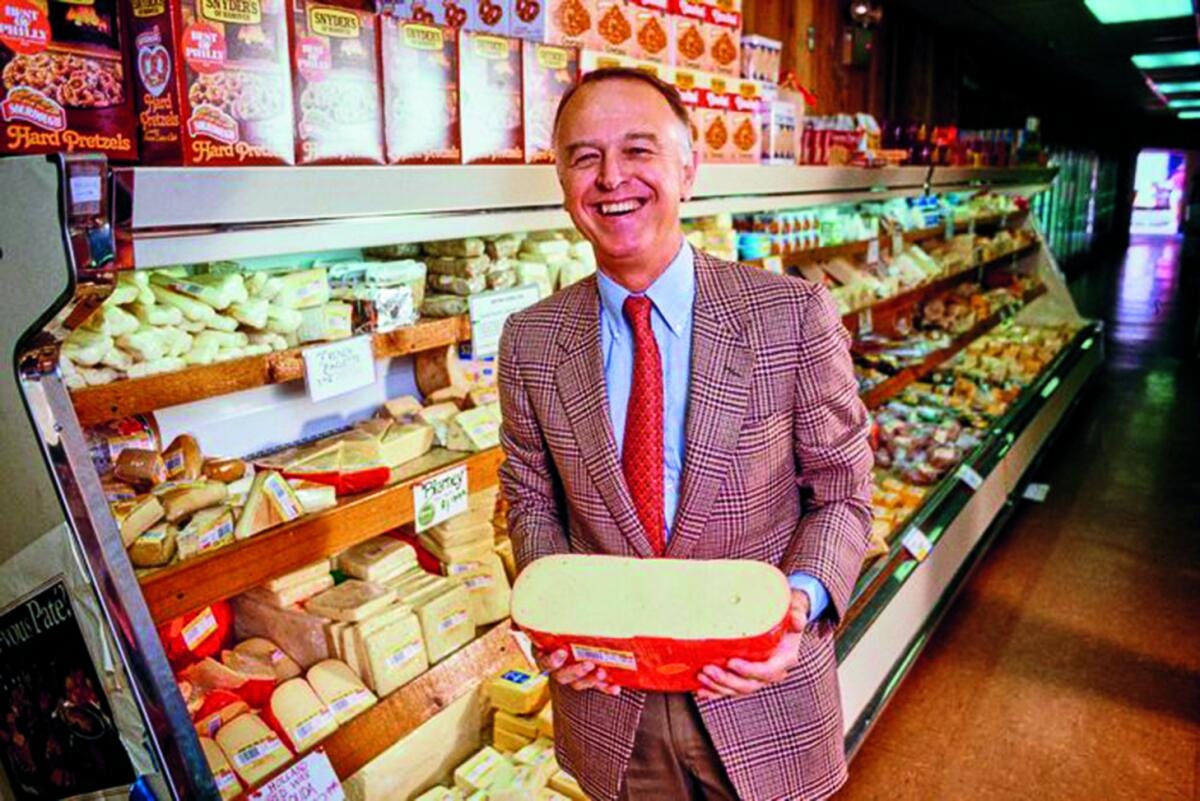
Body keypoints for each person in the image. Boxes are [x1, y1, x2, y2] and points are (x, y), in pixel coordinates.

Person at [497, 67, 874, 801]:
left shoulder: (790, 313)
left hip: (761, 696)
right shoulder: (531, 341)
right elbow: (531, 503)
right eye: (584, 156)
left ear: (688, 169)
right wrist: (556, 620)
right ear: (561, 177)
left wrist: (792, 611)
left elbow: (843, 491)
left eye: (639, 150)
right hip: (612, 707)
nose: (611, 178)